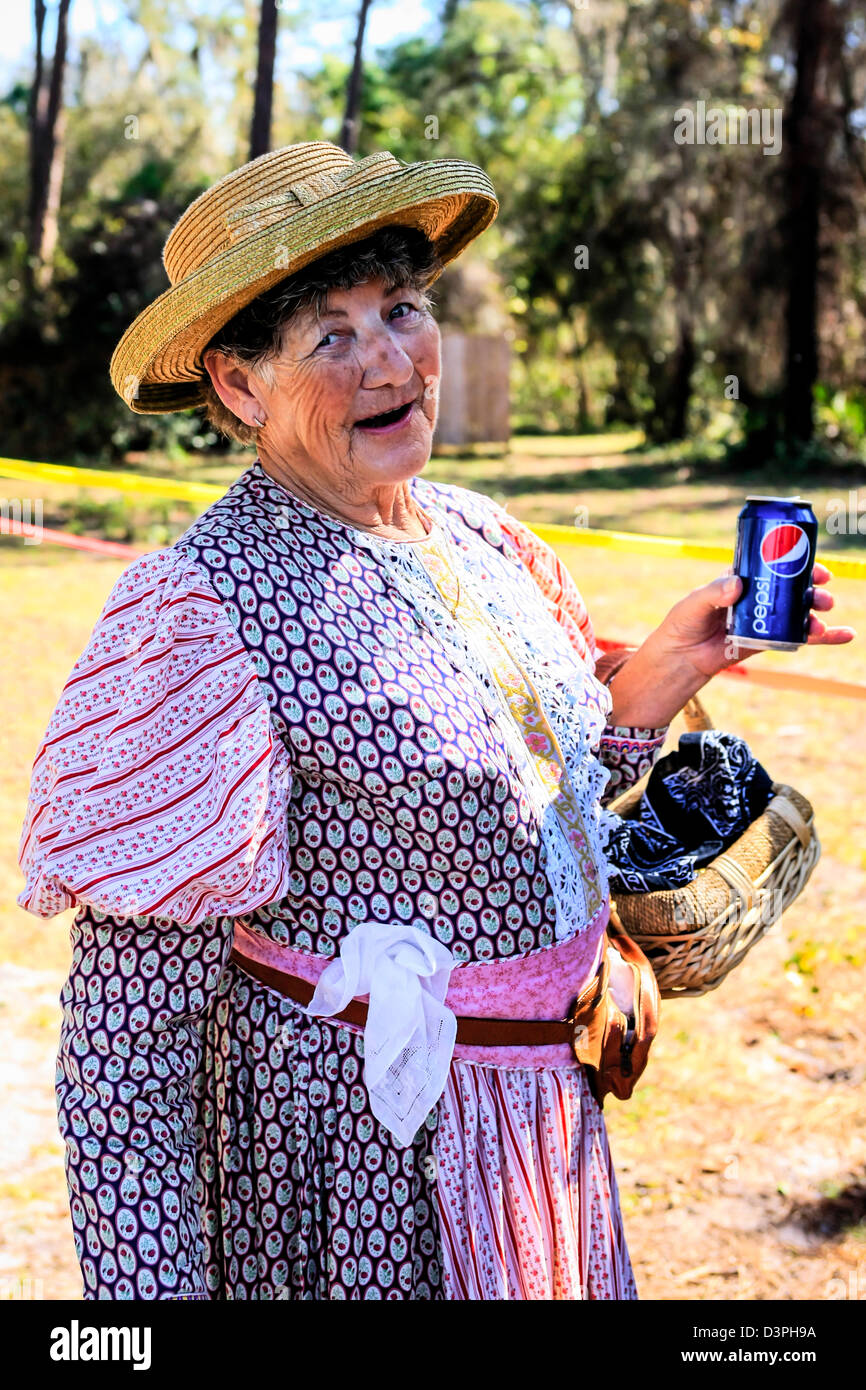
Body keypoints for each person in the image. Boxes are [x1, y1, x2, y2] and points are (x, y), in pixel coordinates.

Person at [17, 141, 853, 1301]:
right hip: (361, 1178)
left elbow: (516, 799)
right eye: (331, 335)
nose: (391, 360)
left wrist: (663, 671)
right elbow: (126, 1052)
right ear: (237, 385)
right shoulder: (200, 611)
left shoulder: (475, 536)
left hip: (536, 1146)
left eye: (403, 309)